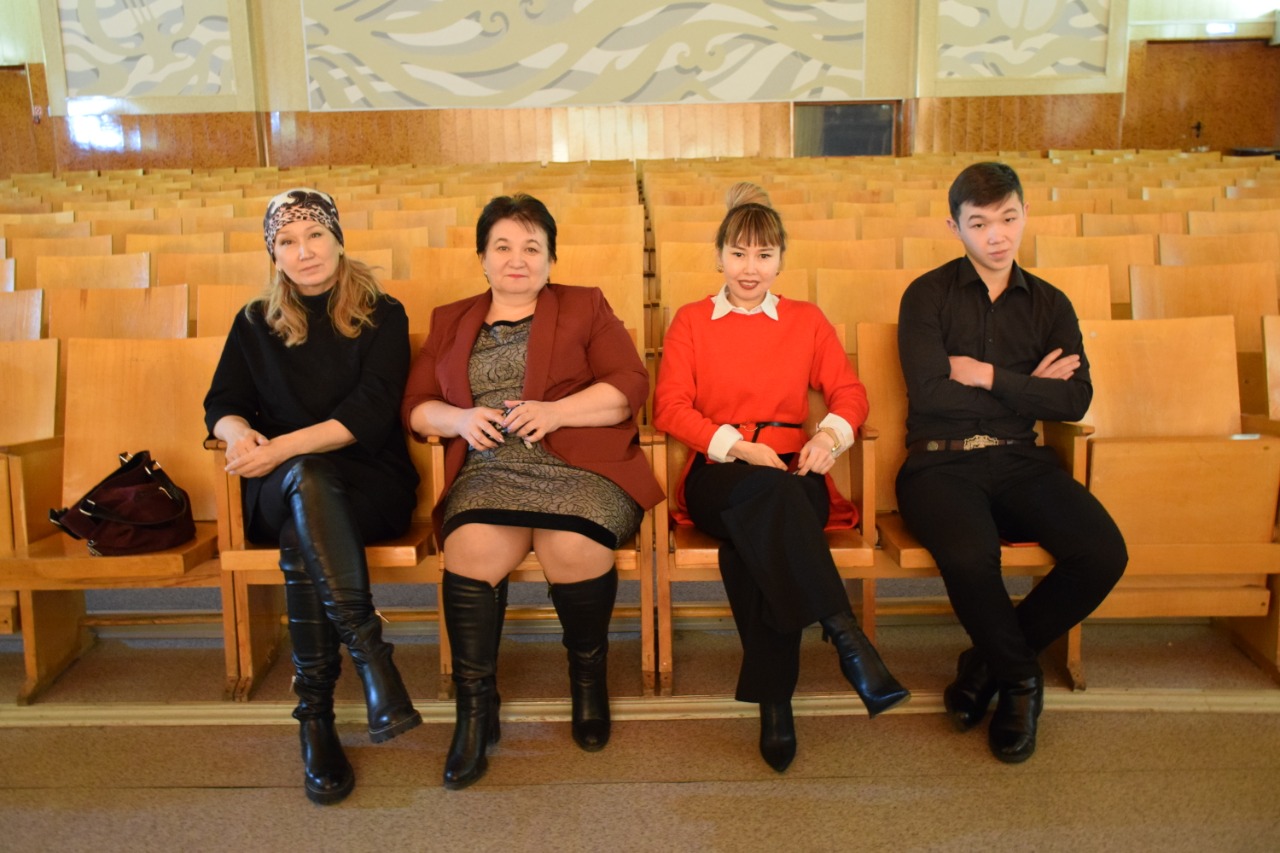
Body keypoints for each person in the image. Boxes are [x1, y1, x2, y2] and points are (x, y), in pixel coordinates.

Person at [402, 193, 664, 790]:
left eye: (531, 247)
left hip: (580, 465)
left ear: (550, 258)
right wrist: (459, 420)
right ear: (482, 257)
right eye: (502, 247)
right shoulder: (450, 319)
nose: (516, 259)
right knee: (469, 549)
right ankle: (475, 709)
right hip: (490, 467)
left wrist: (555, 412)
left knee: (573, 547)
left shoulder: (584, 305)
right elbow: (415, 405)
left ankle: (588, 682)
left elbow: (629, 384)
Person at [653, 183, 910, 773]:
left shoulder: (806, 319)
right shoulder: (691, 320)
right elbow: (669, 407)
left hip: (796, 470)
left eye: (764, 255)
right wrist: (740, 447)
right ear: (719, 256)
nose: (750, 268)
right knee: (770, 504)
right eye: (738, 254)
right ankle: (846, 636)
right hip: (720, 471)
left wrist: (828, 438)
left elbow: (849, 394)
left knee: (761, 535)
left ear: (781, 260)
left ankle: (776, 702)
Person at [895, 162, 1128, 764]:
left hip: (1022, 461)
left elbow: (1074, 400)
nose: (996, 235)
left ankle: (985, 665)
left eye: (1008, 218)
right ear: (955, 227)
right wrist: (1029, 388)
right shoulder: (926, 295)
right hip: (939, 464)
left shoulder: (1051, 304)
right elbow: (930, 394)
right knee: (971, 555)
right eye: (979, 223)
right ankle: (1022, 681)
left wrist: (985, 374)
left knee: (1103, 553)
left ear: (1025, 214)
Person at [204, 188, 422, 805]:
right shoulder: (254, 320)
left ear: (338, 239)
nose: (304, 251)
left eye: (315, 235)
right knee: (306, 485)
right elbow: (221, 403)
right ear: (273, 254)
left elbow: (369, 412)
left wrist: (280, 449)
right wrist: (238, 434)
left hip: (368, 481)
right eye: (287, 241)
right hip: (280, 485)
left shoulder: (383, 313)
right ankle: (371, 658)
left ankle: (315, 717)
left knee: (307, 511)